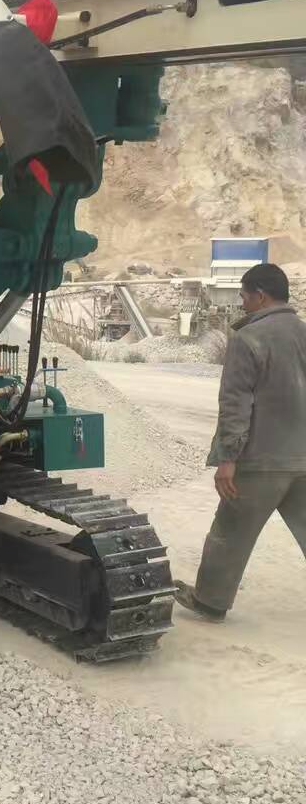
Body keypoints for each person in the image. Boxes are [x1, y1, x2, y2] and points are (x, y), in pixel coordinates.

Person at [175, 263, 306, 622]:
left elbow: (235, 404)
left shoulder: (248, 339)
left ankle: (210, 602)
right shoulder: (303, 332)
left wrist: (227, 459)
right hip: (303, 458)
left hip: (260, 461)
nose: (242, 302)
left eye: (244, 295)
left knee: (230, 532)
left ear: (260, 295)